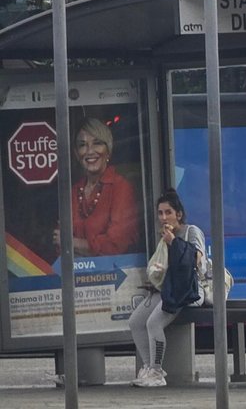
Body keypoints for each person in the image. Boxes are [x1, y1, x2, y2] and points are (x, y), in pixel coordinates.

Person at [128, 190, 207, 388]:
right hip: (169, 287)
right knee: (136, 321)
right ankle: (147, 367)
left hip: (188, 289)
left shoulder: (190, 231)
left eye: (168, 212)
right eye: (160, 213)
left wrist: (173, 242)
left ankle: (157, 370)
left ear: (178, 214)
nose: (164, 217)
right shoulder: (163, 237)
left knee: (154, 323)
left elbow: (194, 260)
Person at [55, 118, 139, 257]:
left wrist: (72, 243)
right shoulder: (74, 190)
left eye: (97, 143)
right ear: (76, 153)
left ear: (108, 150)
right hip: (77, 274)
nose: (90, 151)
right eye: (83, 145)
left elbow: (116, 244)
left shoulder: (121, 187)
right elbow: (59, 245)